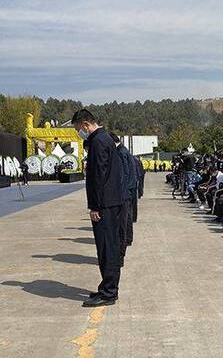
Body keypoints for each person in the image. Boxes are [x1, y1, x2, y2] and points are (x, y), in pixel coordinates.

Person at [72, 109, 124, 307]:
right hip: (110, 201)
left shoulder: (99, 141)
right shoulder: (103, 139)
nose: (79, 132)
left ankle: (109, 292)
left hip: (105, 204)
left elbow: (99, 177)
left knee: (107, 247)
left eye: (79, 129)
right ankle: (107, 287)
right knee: (106, 247)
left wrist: (95, 205)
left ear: (86, 124)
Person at [110, 132, 138, 264]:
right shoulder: (124, 151)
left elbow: (123, 175)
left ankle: (120, 254)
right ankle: (127, 241)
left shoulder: (120, 153)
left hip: (124, 192)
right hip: (128, 190)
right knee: (126, 220)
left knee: (122, 224)